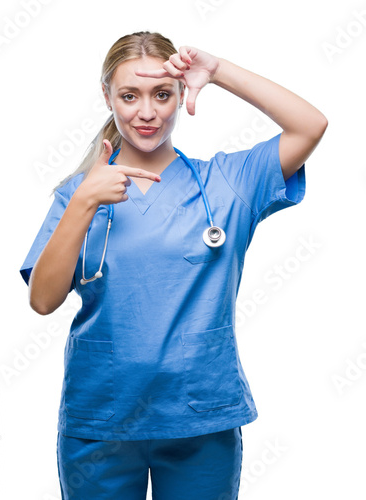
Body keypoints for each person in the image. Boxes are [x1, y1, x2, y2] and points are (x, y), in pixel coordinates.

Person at [19, 31, 327, 500]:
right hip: (101, 418)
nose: (147, 112)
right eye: (129, 95)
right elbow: (43, 300)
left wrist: (218, 70)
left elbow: (310, 125)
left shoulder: (227, 184)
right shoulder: (78, 195)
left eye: (162, 94)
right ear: (107, 97)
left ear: (181, 93)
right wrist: (83, 201)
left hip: (200, 418)